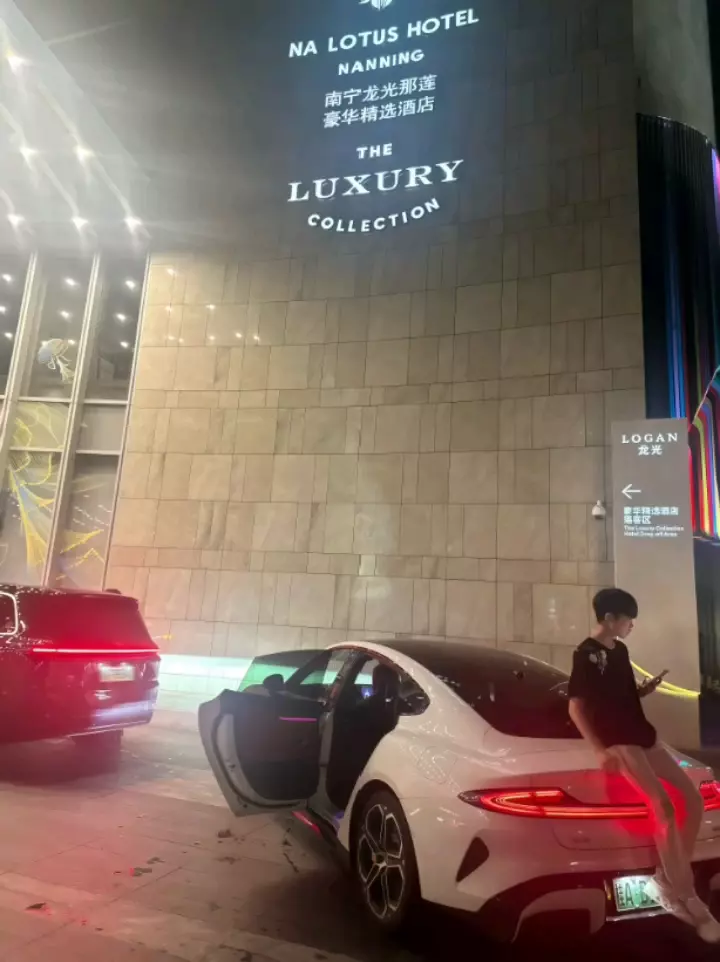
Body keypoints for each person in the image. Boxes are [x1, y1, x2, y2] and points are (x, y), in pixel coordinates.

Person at [568, 587, 720, 942]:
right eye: (628, 619)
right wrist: (599, 750)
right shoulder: (585, 655)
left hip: (643, 734)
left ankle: (669, 875)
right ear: (609, 619)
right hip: (619, 740)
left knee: (693, 800)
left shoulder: (619, 651)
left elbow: (621, 693)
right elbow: (576, 707)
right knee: (662, 807)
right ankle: (684, 894)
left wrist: (643, 690)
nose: (631, 625)